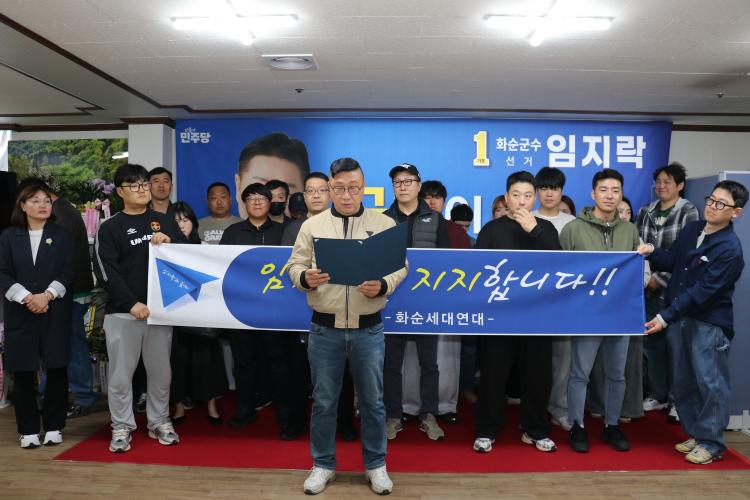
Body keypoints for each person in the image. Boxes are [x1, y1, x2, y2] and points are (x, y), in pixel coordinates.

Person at [287, 157, 407, 496]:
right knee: (324, 401)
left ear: (363, 188)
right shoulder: (313, 225)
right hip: (324, 329)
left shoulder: (383, 224)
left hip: (369, 329)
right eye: (339, 188)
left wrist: (383, 285)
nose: (346, 195)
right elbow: (294, 265)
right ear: (330, 188)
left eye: (353, 188)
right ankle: (322, 464)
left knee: (373, 402)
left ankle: (376, 465)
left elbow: (400, 266)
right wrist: (305, 278)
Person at [639, 180, 747, 465]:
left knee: (710, 384)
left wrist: (665, 316)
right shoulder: (693, 229)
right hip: (680, 319)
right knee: (684, 382)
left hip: (708, 323)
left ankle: (712, 444)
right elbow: (672, 260)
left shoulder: (730, 249)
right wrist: (651, 251)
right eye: (711, 200)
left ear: (735, 212)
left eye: (721, 204)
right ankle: (698, 434)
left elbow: (702, 292)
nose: (712, 207)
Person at [94, 163, 185, 453]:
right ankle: (121, 426)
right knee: (121, 375)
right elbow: (105, 271)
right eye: (134, 185)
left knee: (161, 373)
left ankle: (159, 420)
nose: (142, 189)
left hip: (160, 312)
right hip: (124, 313)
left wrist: (171, 242)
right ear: (120, 192)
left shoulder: (164, 221)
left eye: (144, 184)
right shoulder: (110, 227)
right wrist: (131, 303)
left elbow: (188, 257)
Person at [472, 171, 560, 455]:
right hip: (499, 316)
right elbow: (479, 273)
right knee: (493, 375)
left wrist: (533, 230)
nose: (522, 201)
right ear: (506, 197)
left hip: (537, 316)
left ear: (535, 198)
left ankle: (536, 430)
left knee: (537, 376)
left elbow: (559, 266)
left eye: (527, 195)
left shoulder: (545, 228)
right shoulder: (491, 230)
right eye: (516, 195)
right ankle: (486, 430)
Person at [560, 169, 640, 454]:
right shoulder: (573, 228)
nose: (609, 196)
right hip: (586, 313)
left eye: (615, 190)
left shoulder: (630, 230)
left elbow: (637, 271)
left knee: (617, 374)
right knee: (580, 374)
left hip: (620, 314)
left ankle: (612, 424)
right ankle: (577, 425)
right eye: (604, 190)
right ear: (593, 193)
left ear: (621, 195)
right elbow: (560, 272)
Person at [282, 172, 357, 441]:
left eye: (321, 190)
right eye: (310, 191)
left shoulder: (345, 225)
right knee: (299, 370)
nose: (316, 195)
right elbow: (290, 268)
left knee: (342, 372)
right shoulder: (293, 229)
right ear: (303, 195)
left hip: (336, 309)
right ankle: (296, 422)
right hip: (297, 309)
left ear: (331, 193)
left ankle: (344, 422)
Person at [16, 178, 98, 419]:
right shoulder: (63, 209)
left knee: (71, 345)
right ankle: (51, 394)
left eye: (35, 199)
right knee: (57, 345)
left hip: (68, 292)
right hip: (62, 291)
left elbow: (54, 261)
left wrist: (42, 294)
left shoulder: (59, 214)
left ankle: (83, 397)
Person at [0, 185, 74, 448]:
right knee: (23, 370)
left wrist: (47, 295)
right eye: (35, 200)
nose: (42, 205)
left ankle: (54, 426)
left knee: (56, 368)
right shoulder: (8, 237)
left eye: (47, 200)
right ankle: (28, 429)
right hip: (20, 311)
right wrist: (27, 297)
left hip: (54, 309)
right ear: (22, 206)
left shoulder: (63, 235)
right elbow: (2, 272)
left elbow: (69, 270)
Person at [383, 164, 449, 442]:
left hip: (426, 304)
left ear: (419, 186)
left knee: (429, 364)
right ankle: (392, 416)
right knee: (390, 363)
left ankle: (428, 414)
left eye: (408, 181)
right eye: (398, 182)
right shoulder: (383, 219)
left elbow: (445, 262)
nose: (403, 186)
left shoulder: (435, 220)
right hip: (391, 302)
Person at [219, 183, 287, 433]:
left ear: (271, 203)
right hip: (241, 310)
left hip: (276, 310)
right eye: (251, 198)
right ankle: (244, 411)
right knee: (243, 363)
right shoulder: (232, 233)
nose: (257, 202)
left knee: (278, 362)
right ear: (244, 203)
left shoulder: (283, 232)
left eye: (262, 198)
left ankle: (283, 412)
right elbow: (220, 267)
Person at [635, 162, 700, 422]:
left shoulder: (688, 211)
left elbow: (687, 255)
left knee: (676, 346)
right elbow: (637, 247)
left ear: (680, 185)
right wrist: (645, 278)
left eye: (668, 182)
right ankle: (658, 394)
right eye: (658, 181)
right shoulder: (645, 211)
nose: (661, 186)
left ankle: (677, 400)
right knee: (651, 343)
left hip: (674, 288)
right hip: (645, 286)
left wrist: (659, 279)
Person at [170, 201, 228, 427]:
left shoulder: (205, 247)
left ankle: (212, 406)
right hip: (175, 314)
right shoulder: (164, 249)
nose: (181, 225)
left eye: (185, 220)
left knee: (208, 360)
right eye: (176, 221)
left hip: (203, 315)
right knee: (177, 361)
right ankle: (179, 407)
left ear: (193, 223)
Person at [235, 132, 310, 218]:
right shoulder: (232, 227)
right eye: (259, 190)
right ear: (238, 186)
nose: (272, 204)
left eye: (281, 196)